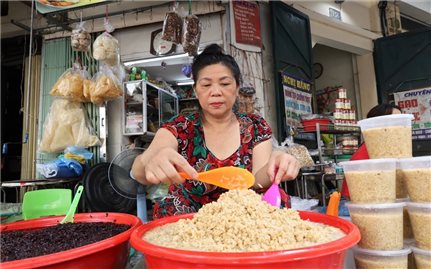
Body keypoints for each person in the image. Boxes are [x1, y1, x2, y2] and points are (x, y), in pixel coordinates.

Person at [131, 44, 300, 219]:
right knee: (169, 204)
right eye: (206, 85)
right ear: (196, 90)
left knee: (280, 202)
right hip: (191, 218)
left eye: (225, 83)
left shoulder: (255, 125)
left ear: (236, 88)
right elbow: (138, 172)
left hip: (244, 215)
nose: (216, 92)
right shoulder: (180, 127)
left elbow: (258, 180)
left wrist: (276, 166)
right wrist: (149, 161)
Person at [340, 103, 402, 198]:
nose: (400, 127)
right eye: (395, 122)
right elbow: (355, 195)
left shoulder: (392, 148)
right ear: (378, 124)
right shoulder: (372, 150)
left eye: (402, 121)